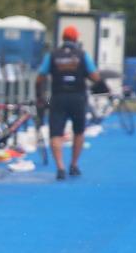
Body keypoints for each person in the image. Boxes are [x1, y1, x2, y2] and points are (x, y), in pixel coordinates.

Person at [35, 25, 102, 180]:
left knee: (56, 132)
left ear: (63, 38)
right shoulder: (82, 55)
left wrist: (40, 96)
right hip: (78, 97)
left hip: (58, 96)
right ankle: (74, 164)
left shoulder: (52, 55)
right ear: (76, 39)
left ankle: (60, 167)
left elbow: (40, 77)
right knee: (79, 131)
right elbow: (95, 76)